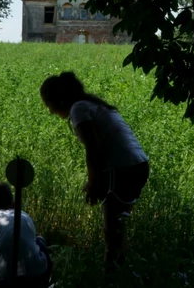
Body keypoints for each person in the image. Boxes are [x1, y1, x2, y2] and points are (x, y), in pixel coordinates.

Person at [40, 72, 149, 271]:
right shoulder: (92, 105)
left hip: (122, 167)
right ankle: (119, 270)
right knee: (118, 225)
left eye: (49, 104)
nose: (50, 111)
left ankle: (110, 273)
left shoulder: (79, 108)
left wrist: (93, 183)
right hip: (137, 165)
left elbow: (93, 147)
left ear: (59, 100)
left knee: (111, 227)